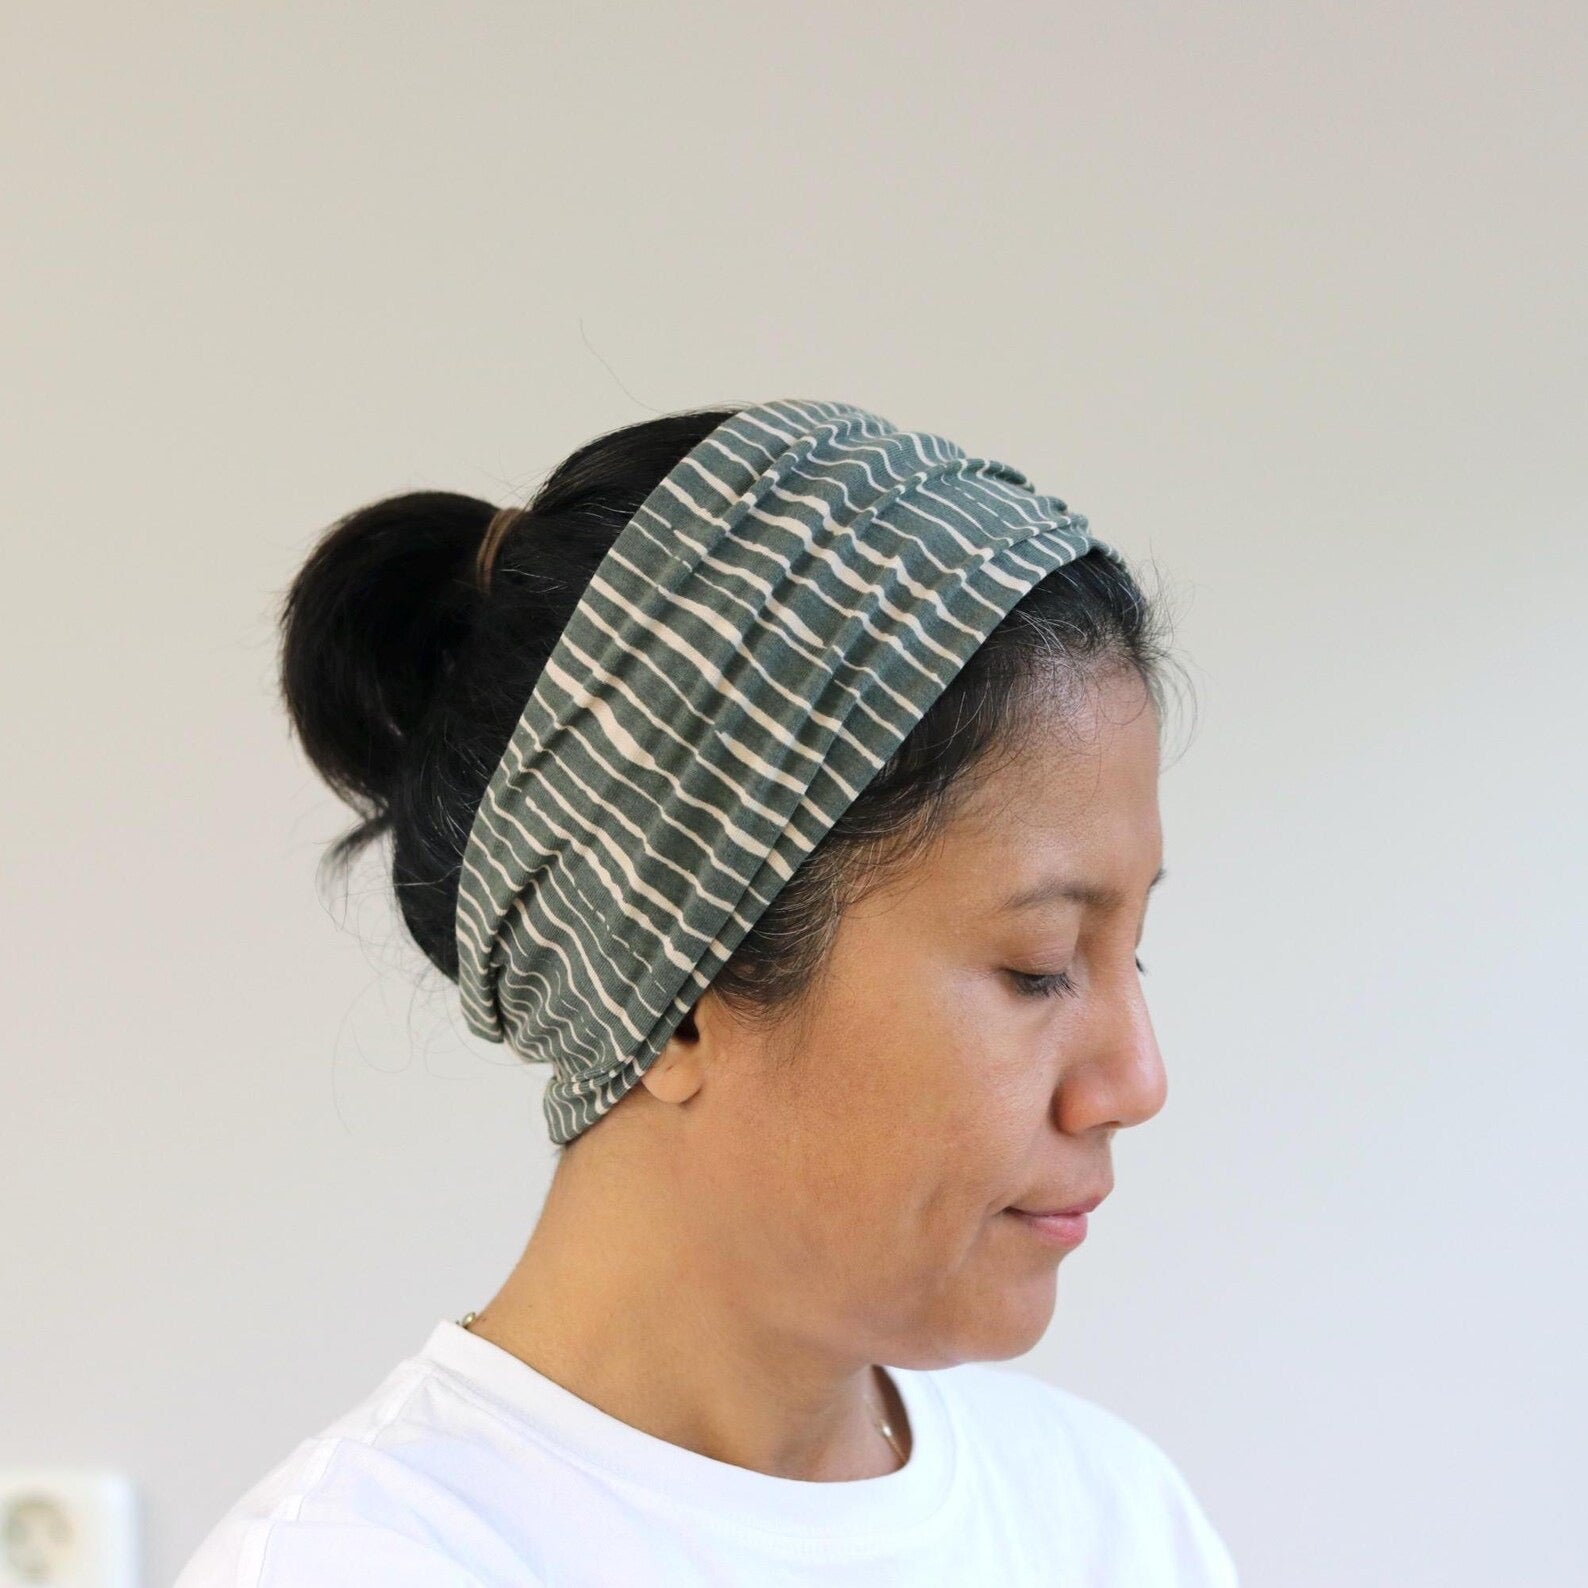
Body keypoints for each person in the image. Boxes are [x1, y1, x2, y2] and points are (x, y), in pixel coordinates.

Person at [173, 398, 1239, 1586]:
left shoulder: (1109, 1518)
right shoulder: (366, 1561)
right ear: (680, 986)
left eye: (1127, 953)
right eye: (1038, 966)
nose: (1133, 1083)